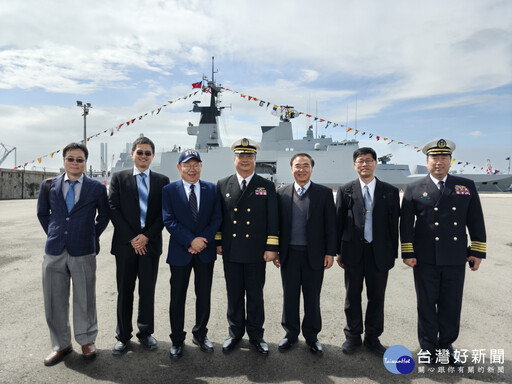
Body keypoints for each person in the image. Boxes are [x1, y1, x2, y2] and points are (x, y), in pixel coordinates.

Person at [401, 139, 486, 366]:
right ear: (427, 161)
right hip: (425, 258)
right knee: (427, 304)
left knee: (451, 303)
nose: (439, 163)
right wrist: (407, 252)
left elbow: (475, 220)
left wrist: (477, 252)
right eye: (434, 158)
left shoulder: (465, 185)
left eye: (443, 158)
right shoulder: (413, 188)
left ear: (450, 161)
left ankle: (446, 345)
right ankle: (428, 347)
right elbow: (406, 224)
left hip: (456, 256)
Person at [37, 142, 109, 366]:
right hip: (55, 249)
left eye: (79, 159)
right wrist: (55, 233)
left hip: (83, 250)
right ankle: (61, 344)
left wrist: (91, 235)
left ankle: (87, 340)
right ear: (64, 161)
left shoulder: (96, 188)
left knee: (85, 298)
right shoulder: (48, 185)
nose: (75, 163)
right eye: (71, 158)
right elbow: (43, 214)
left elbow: (104, 216)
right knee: (54, 299)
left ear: (85, 163)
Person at [216, 138, 279, 355]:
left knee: (254, 295)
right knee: (233, 294)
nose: (245, 160)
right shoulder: (223, 184)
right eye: (241, 156)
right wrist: (218, 241)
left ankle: (256, 335)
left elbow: (273, 219)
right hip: (232, 249)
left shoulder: (266, 185)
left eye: (249, 156)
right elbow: (219, 217)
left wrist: (272, 247)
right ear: (234, 159)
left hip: (255, 251)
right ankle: (234, 333)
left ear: (255, 159)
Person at [335, 147, 399, 356]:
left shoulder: (389, 191)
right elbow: (338, 222)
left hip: (379, 253)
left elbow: (393, 224)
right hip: (353, 252)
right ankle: (353, 336)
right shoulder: (345, 189)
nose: (365, 164)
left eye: (369, 160)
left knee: (377, 297)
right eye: (360, 161)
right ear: (355, 165)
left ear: (375, 163)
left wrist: (393, 252)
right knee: (352, 296)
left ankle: (372, 337)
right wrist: (337, 251)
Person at [109, 136, 170, 356]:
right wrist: (134, 238)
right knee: (125, 291)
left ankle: (145, 333)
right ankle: (123, 336)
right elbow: (113, 209)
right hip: (126, 246)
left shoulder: (163, 181)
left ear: (152, 156)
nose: (143, 156)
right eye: (140, 152)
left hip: (150, 245)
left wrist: (147, 237)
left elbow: (165, 213)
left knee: (147, 291)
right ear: (133, 154)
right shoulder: (118, 178)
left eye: (147, 153)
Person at [162, 149, 222, 359]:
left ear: (201, 167)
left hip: (204, 251)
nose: (192, 169)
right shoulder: (169, 190)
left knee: (203, 295)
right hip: (180, 251)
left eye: (196, 165)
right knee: (177, 297)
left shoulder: (212, 190)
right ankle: (177, 339)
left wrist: (201, 242)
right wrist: (190, 241)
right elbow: (169, 220)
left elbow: (216, 219)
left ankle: (200, 333)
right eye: (187, 165)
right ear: (179, 168)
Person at [275, 153, 337, 354]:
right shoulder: (281, 192)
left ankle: (312, 337)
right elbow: (276, 225)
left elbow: (331, 226)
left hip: (314, 255)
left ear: (312, 168)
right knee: (290, 297)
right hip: (289, 254)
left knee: (312, 297)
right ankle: (290, 334)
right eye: (297, 165)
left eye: (306, 165)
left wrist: (330, 252)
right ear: (291, 168)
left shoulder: (324, 193)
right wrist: (275, 250)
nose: (301, 169)